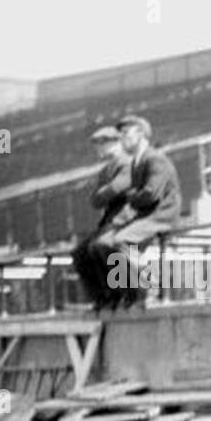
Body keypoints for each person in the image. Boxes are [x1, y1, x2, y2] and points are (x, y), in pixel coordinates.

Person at [86, 114, 182, 310]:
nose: (122, 137)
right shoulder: (139, 161)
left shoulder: (155, 159)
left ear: (141, 134)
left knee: (120, 241)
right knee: (105, 245)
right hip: (147, 214)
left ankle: (149, 286)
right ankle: (128, 291)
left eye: (126, 132)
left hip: (162, 214)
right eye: (120, 134)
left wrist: (130, 195)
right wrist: (134, 197)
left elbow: (151, 194)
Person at [71, 126, 131, 309]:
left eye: (103, 144)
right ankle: (103, 295)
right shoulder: (105, 171)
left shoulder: (129, 164)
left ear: (117, 143)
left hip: (128, 218)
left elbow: (117, 189)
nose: (100, 149)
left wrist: (108, 191)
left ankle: (126, 291)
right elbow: (96, 200)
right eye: (98, 145)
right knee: (80, 252)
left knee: (102, 246)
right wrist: (108, 191)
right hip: (111, 220)